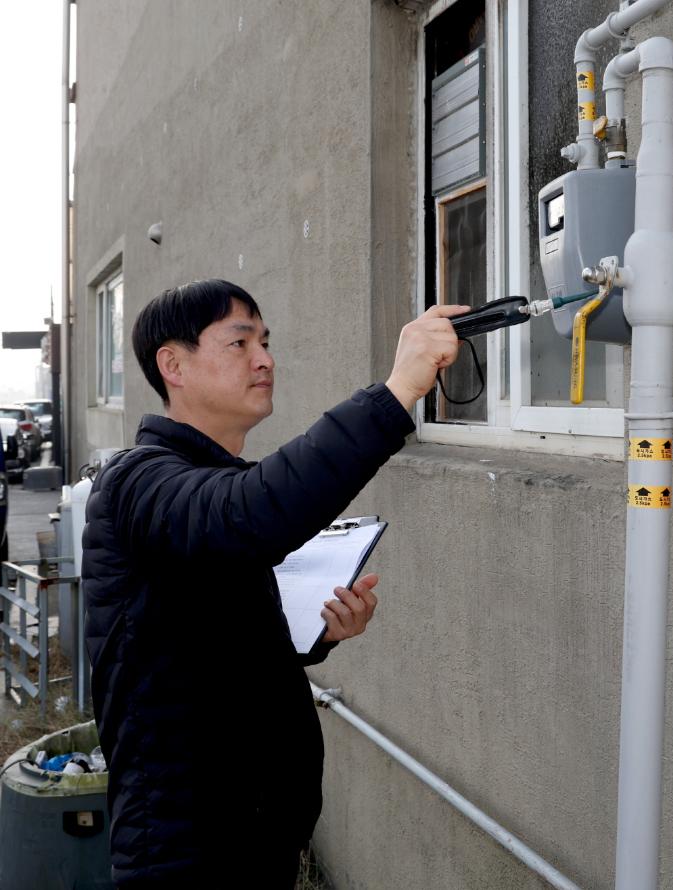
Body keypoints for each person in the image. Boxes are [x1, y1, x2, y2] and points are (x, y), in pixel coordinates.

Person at [81, 279, 468, 889]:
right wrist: (397, 393)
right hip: (186, 857)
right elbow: (248, 515)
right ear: (172, 364)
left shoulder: (211, 485)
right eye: (240, 343)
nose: (265, 359)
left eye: (265, 342)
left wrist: (317, 635)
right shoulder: (139, 483)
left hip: (257, 841)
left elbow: (207, 639)